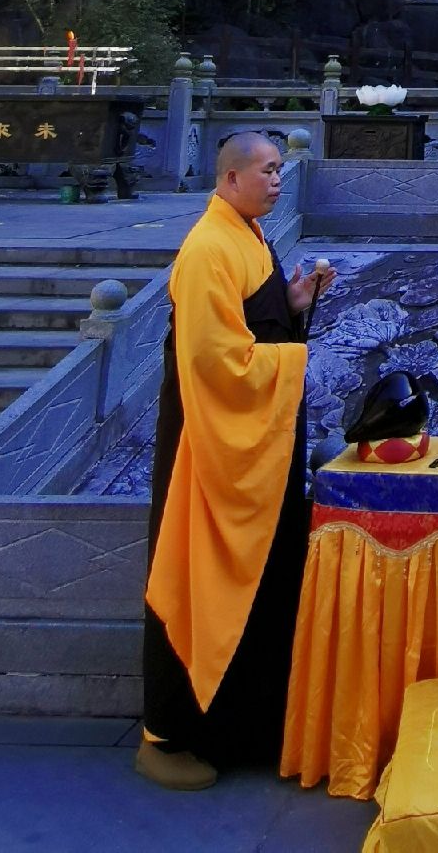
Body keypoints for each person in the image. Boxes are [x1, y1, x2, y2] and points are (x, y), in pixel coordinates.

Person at [136, 131, 332, 791]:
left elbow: (255, 325)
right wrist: (292, 359)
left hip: (258, 446)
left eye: (281, 170)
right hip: (211, 445)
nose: (279, 181)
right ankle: (166, 736)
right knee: (196, 579)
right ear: (229, 179)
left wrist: (294, 304)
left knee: (266, 579)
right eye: (269, 170)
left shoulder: (247, 235)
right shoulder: (206, 250)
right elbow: (213, 363)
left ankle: (245, 731)